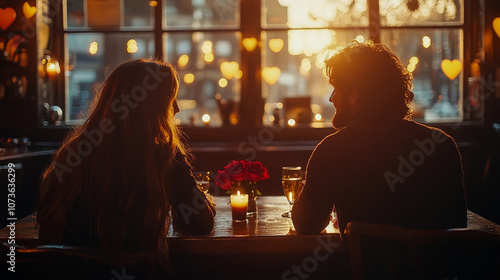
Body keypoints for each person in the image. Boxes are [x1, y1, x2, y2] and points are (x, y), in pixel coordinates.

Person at [36, 59, 215, 271]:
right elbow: (201, 223)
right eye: (170, 100)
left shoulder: (72, 152)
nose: (176, 108)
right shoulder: (162, 155)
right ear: (151, 107)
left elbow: (46, 227)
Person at [292, 42, 467, 236]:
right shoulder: (441, 145)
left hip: (364, 267)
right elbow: (458, 225)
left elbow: (306, 224)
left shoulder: (332, 150)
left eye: (336, 89)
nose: (332, 98)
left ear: (354, 96)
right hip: (437, 267)